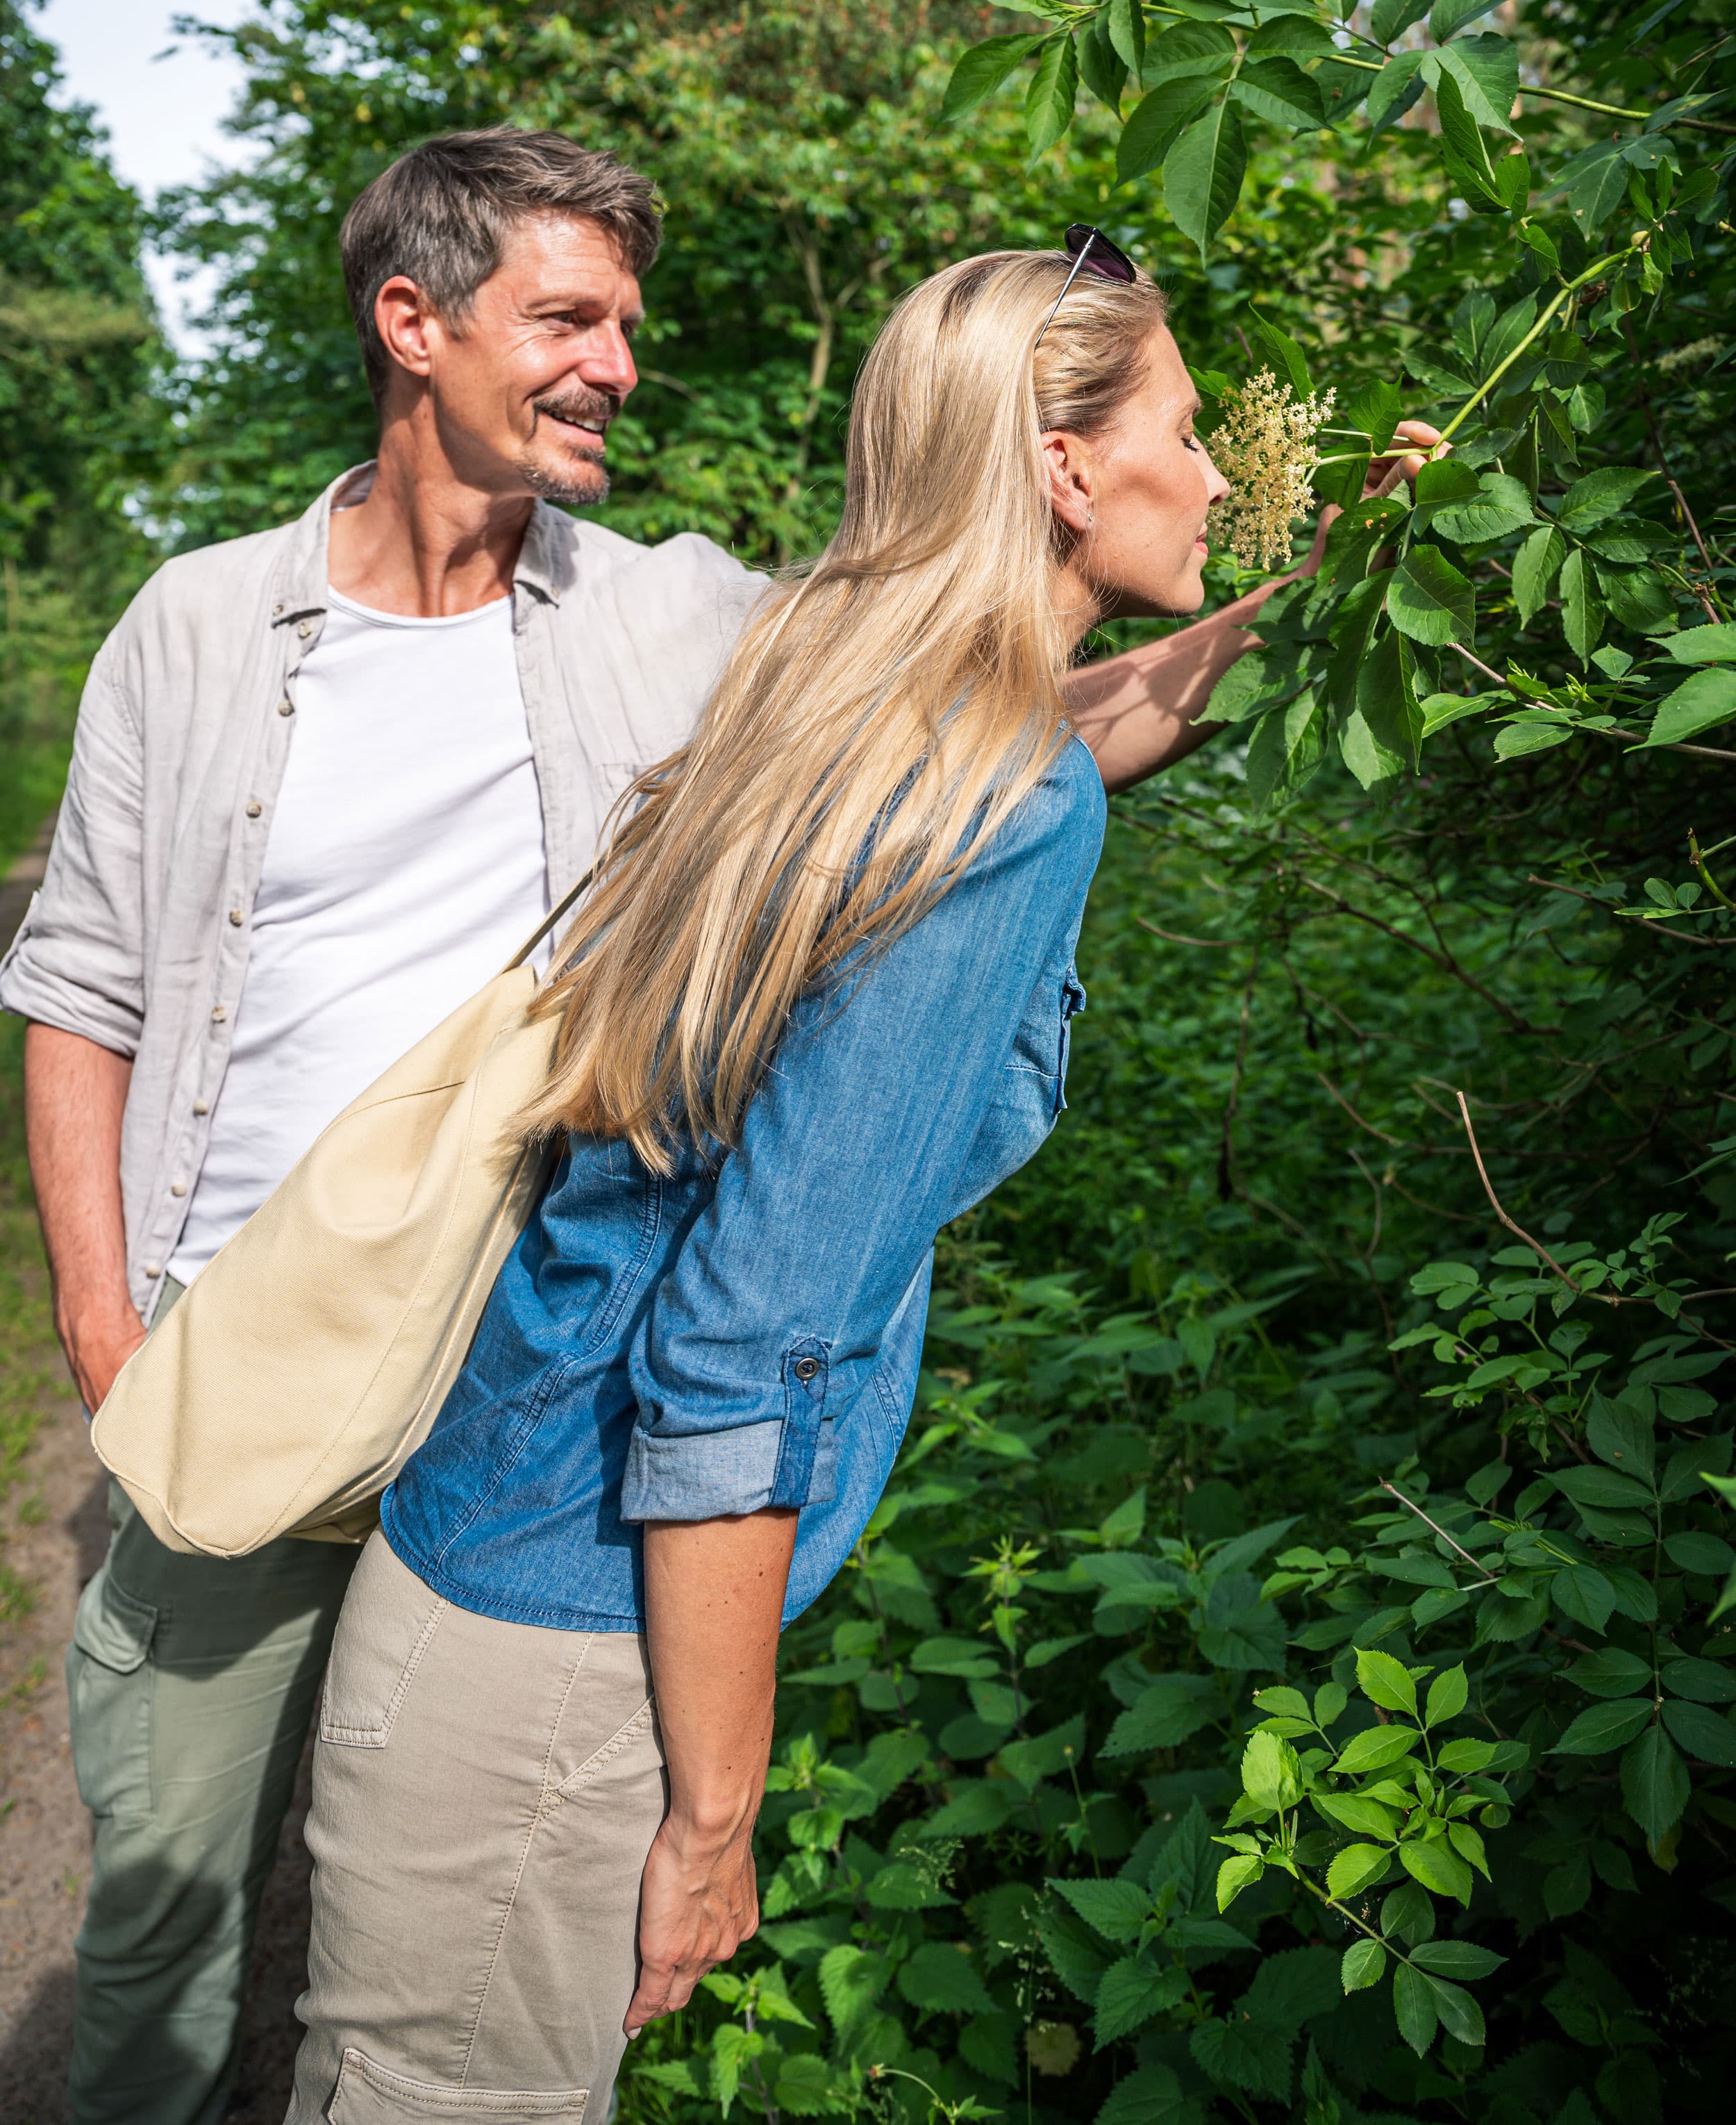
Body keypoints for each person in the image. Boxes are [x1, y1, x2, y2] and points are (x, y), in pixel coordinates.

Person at [1, 135, 1404, 2125]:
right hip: (263, 1353)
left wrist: (1310, 588)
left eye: (630, 326)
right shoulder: (204, 628)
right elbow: (83, 987)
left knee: (387, 1905)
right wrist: (104, 1329)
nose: (620, 368)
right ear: (416, 323)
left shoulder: (676, 620)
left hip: (515, 1364)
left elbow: (990, 727)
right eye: (569, 320)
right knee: (160, 1917)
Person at [278, 241, 1238, 2114]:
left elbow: (1075, 722)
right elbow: (744, 1355)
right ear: (1062, 468)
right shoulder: (996, 812)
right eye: (1188, 436)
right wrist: (716, 1817)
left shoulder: (834, 694)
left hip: (477, 1573)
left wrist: (1325, 595)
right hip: (556, 1665)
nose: (1213, 480)